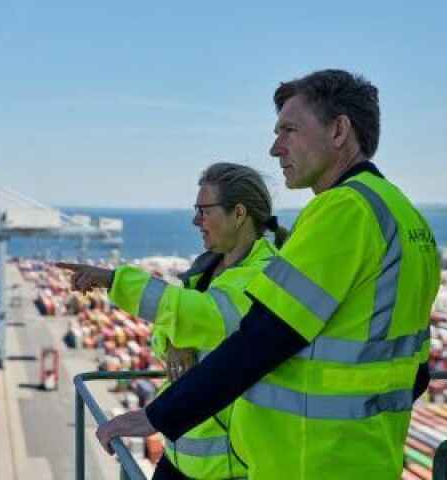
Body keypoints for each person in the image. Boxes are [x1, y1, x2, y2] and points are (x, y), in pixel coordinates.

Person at [92, 69, 440, 479]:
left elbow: (263, 339)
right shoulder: (404, 216)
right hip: (367, 457)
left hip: (308, 462)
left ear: (339, 130)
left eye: (289, 130)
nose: (275, 149)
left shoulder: (344, 211)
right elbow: (416, 372)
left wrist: (158, 415)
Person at [60, 162, 288, 479]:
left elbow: (206, 315)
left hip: (226, 468)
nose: (196, 221)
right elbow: (164, 334)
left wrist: (116, 280)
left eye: (204, 211)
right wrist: (176, 339)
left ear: (239, 214)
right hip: (179, 452)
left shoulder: (265, 272)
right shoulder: (207, 269)